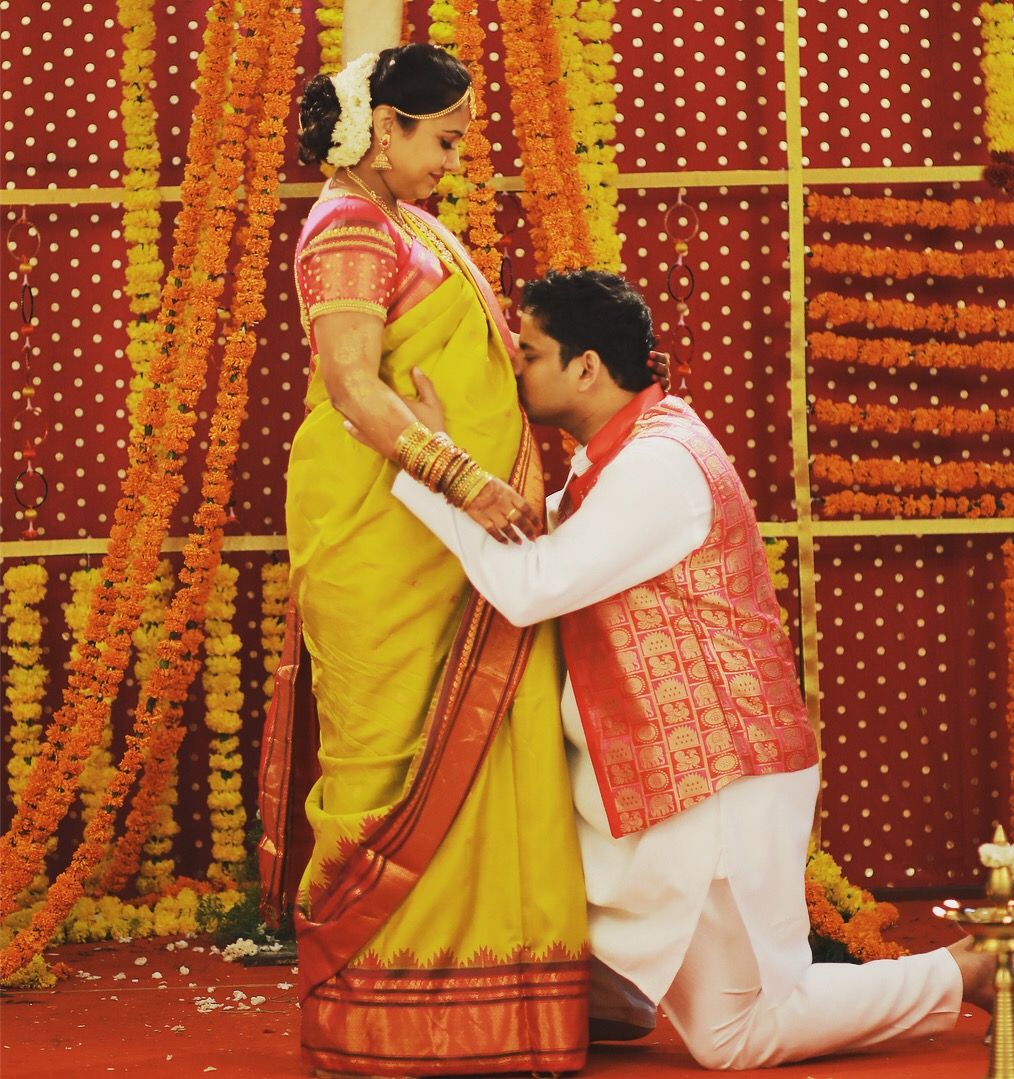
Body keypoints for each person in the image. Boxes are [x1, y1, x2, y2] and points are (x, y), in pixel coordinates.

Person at [363, 268, 1014, 1069]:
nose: (515, 365)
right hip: (657, 772)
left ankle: (961, 970)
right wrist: (443, 459)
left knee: (736, 1036)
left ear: (587, 368)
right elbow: (540, 546)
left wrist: (430, 468)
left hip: (716, 781)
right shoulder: (617, 454)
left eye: (531, 350)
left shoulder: (660, 465)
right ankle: (597, 999)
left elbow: (532, 585)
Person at [257, 46, 590, 1077]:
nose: (452, 161)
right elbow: (353, 385)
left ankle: (492, 999)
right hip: (387, 529)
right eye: (441, 141)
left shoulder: (406, 222)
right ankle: (386, 1014)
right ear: (383, 127)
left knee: (477, 742)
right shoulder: (349, 229)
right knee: (390, 753)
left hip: (444, 535)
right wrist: (462, 475)